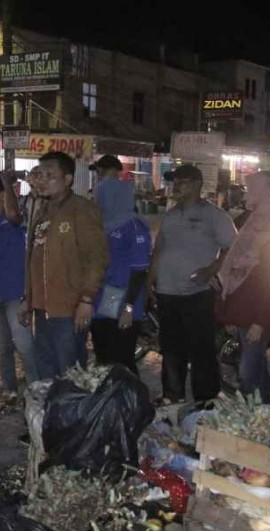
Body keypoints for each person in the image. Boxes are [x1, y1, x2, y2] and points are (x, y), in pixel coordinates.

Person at [149, 164, 237, 406]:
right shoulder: (170, 216)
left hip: (197, 294)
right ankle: (172, 396)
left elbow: (232, 247)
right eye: (175, 181)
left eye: (183, 181)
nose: (177, 186)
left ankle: (205, 399)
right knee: (170, 348)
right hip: (168, 292)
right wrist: (149, 283)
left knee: (201, 350)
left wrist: (211, 270)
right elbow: (158, 251)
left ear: (198, 185)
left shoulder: (214, 216)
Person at [215, 172, 270, 404]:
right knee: (257, 366)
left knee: (248, 372)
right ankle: (266, 410)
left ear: (268, 191)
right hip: (245, 305)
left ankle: (248, 423)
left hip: (258, 310)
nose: (248, 193)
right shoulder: (257, 219)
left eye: (253, 188)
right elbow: (237, 266)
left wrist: (261, 320)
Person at [24, 151, 109, 379]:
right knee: (46, 374)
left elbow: (97, 257)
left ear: (68, 179)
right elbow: (34, 257)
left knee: (70, 374)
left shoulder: (81, 210)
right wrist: (29, 300)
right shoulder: (42, 210)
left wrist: (87, 299)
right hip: (42, 311)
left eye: (50, 175)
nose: (42, 180)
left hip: (68, 309)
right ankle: (52, 414)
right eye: (40, 175)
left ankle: (72, 414)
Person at [0, 171, 39, 405]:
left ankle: (35, 389)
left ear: (3, 195)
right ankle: (10, 389)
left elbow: (14, 216)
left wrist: (7, 184)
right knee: (2, 348)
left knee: (25, 346)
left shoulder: (15, 221)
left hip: (15, 295)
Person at [89, 155, 152, 375]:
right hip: (101, 299)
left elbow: (140, 271)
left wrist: (129, 307)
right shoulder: (100, 225)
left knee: (122, 361)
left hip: (122, 299)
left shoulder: (133, 227)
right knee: (104, 359)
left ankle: (131, 405)